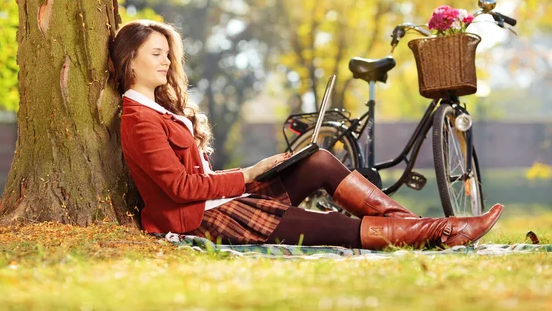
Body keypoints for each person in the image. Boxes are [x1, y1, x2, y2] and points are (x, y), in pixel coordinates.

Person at [109, 19, 504, 250]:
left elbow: (200, 179)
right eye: (156, 54)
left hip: (221, 205)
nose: (167, 62)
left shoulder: (163, 111)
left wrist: (255, 174)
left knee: (315, 159)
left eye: (167, 53)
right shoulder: (139, 119)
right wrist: (247, 175)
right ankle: (441, 232)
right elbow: (180, 188)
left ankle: (423, 228)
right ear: (131, 59)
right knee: (333, 227)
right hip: (202, 223)